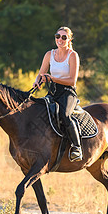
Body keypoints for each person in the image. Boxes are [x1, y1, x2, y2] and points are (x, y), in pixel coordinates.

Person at [33, 26, 82, 162]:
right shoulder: (49, 54)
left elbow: (72, 81)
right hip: (53, 91)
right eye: (57, 36)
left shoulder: (73, 55)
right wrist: (37, 81)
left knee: (65, 115)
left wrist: (52, 78)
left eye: (64, 37)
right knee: (38, 111)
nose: (60, 39)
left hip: (68, 92)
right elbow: (41, 74)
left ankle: (77, 147)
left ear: (69, 39)